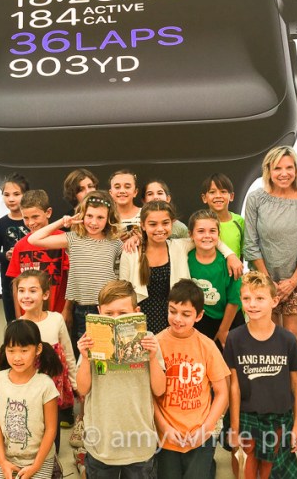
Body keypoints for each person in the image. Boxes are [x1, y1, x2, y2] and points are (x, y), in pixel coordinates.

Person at [28, 190, 123, 448]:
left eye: (100, 217)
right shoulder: (73, 238)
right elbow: (34, 239)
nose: (94, 222)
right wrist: (63, 222)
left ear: (109, 218)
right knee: (84, 366)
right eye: (89, 216)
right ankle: (82, 417)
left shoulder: (115, 243)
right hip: (83, 311)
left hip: (107, 313)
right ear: (82, 215)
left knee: (105, 367)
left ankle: (100, 416)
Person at [243, 146, 297, 423]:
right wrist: (268, 283)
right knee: (266, 338)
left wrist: (293, 281)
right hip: (263, 281)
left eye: (289, 167)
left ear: (296, 169)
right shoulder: (257, 199)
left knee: (290, 337)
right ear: (268, 170)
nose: (284, 173)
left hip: (296, 281)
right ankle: (272, 398)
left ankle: (296, 399)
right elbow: (250, 244)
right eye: (278, 168)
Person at [77, 280, 166, 476]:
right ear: (99, 312)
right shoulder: (90, 342)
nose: (115, 318)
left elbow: (160, 390)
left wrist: (152, 358)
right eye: (109, 314)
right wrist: (84, 358)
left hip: (139, 441)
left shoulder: (149, 341)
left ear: (136, 312)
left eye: (123, 313)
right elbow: (82, 389)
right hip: (101, 441)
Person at [223, 271, 297, 478]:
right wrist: (234, 427)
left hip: (279, 418)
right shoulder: (234, 338)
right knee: (246, 472)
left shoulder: (287, 339)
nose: (253, 304)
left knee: (272, 472)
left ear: (274, 301)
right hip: (247, 416)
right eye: (246, 298)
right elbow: (234, 385)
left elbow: (296, 385)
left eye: (260, 298)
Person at [154, 279, 229, 479]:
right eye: (173, 311)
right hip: (166, 438)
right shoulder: (156, 344)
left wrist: (206, 428)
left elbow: (222, 393)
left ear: (199, 315)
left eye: (186, 314)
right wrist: (164, 427)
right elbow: (149, 395)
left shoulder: (207, 346)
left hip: (200, 437)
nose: (178, 319)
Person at [0, 319, 62, 479]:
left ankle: (54, 468)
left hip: (40, 459)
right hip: (9, 458)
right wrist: (2, 461)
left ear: (38, 349)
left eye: (24, 351)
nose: (17, 357)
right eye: (11, 350)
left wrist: (36, 466)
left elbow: (51, 429)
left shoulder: (45, 385)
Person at [14, 269, 78, 444]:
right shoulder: (17, 326)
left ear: (45, 294)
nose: (26, 296)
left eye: (32, 290)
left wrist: (75, 384)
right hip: (29, 392)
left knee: (52, 430)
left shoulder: (56, 319)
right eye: (21, 290)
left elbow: (68, 354)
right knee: (33, 431)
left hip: (53, 390)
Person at [120, 201, 191, 335]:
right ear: (143, 225)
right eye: (153, 224)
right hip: (139, 318)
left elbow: (208, 238)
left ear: (172, 223)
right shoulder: (131, 251)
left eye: (165, 223)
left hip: (173, 317)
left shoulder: (180, 246)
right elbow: (123, 292)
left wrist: (230, 256)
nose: (160, 229)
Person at [6, 189, 69, 319]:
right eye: (26, 218)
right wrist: (18, 315)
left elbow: (71, 279)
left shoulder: (63, 240)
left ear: (48, 212)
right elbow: (16, 284)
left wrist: (67, 310)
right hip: (28, 315)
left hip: (57, 313)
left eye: (35, 217)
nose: (31, 223)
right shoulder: (20, 246)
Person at [188, 210, 245, 350]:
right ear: (191, 234)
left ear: (218, 234)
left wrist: (223, 330)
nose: (207, 235)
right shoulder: (186, 259)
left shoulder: (230, 264)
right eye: (201, 231)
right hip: (202, 320)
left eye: (212, 231)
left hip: (230, 320)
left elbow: (234, 300)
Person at [0, 173, 30, 324]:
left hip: (34, 281)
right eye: (6, 195)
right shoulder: (1, 224)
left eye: (16, 194)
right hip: (9, 284)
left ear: (26, 195)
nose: (11, 199)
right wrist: (5, 256)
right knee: (14, 325)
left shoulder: (34, 220)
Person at [200, 173, 246, 259]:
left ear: (231, 196)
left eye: (223, 191)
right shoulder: (199, 223)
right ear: (204, 198)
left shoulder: (239, 221)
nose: (218, 196)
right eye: (212, 192)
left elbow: (243, 252)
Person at [109, 169, 142, 237]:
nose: (122, 191)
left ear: (135, 192)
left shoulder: (145, 214)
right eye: (117, 187)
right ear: (111, 193)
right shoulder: (105, 216)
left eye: (127, 187)